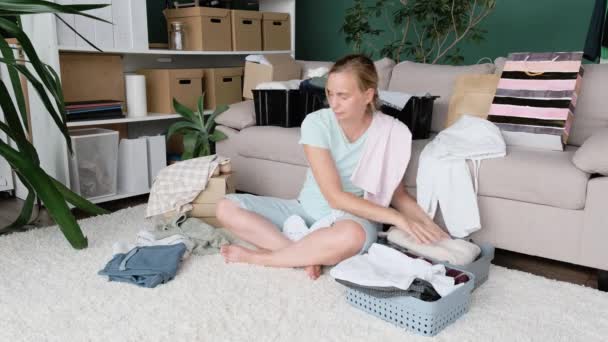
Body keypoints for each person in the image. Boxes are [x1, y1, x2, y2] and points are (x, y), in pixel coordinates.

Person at [216, 54, 449, 280]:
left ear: (368, 95)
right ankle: (306, 256)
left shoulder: (390, 131)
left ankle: (264, 258)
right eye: (330, 93)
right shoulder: (317, 123)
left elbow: (396, 194)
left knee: (352, 236)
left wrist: (430, 227)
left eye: (343, 96)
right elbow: (334, 197)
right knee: (226, 207)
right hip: (305, 209)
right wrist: (397, 219)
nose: (334, 103)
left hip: (351, 220)